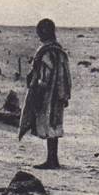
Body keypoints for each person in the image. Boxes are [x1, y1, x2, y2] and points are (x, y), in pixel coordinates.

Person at [18, 18, 71, 169]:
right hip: (59, 94)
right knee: (54, 126)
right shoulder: (60, 51)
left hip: (48, 95)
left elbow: (44, 77)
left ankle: (51, 160)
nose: (39, 36)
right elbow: (66, 76)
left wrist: (38, 93)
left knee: (49, 126)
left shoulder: (46, 52)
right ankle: (53, 159)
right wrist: (65, 95)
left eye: (40, 32)